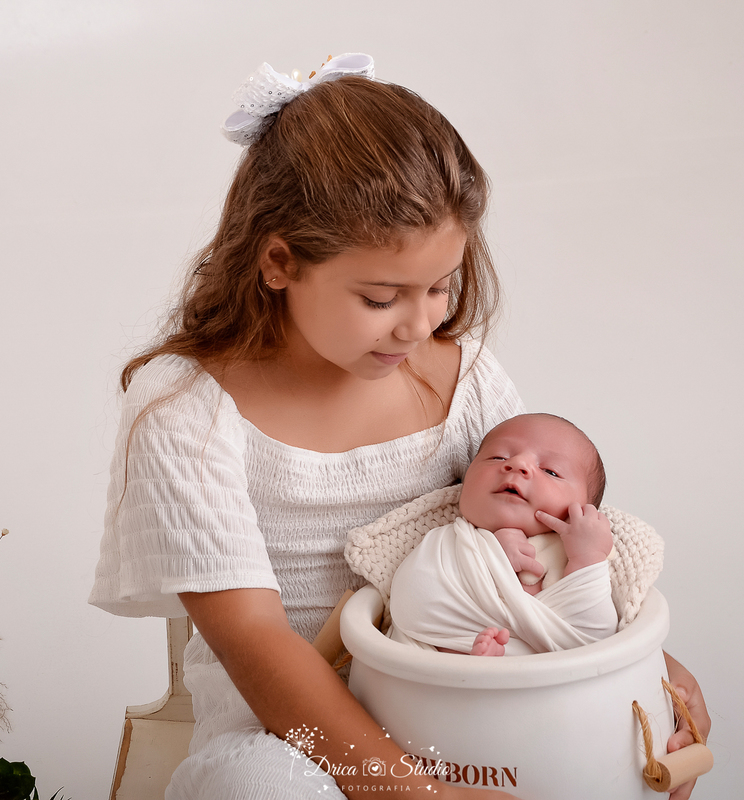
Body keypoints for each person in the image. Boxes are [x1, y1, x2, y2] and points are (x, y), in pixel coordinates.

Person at [89, 54, 709, 800]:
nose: (419, 325)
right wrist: (412, 793)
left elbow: (551, 540)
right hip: (287, 739)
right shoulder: (184, 409)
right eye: (382, 297)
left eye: (441, 286)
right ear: (280, 261)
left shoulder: (464, 379)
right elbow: (254, 642)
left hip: (471, 710)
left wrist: (650, 676)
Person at [389, 413, 618, 656]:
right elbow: (413, 598)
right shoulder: (452, 543)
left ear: (584, 511)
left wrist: (588, 557)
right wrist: (492, 551)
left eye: (551, 471)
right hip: (428, 660)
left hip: (549, 673)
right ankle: (465, 658)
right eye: (498, 457)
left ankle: (498, 661)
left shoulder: (573, 554)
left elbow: (596, 637)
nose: (518, 464)